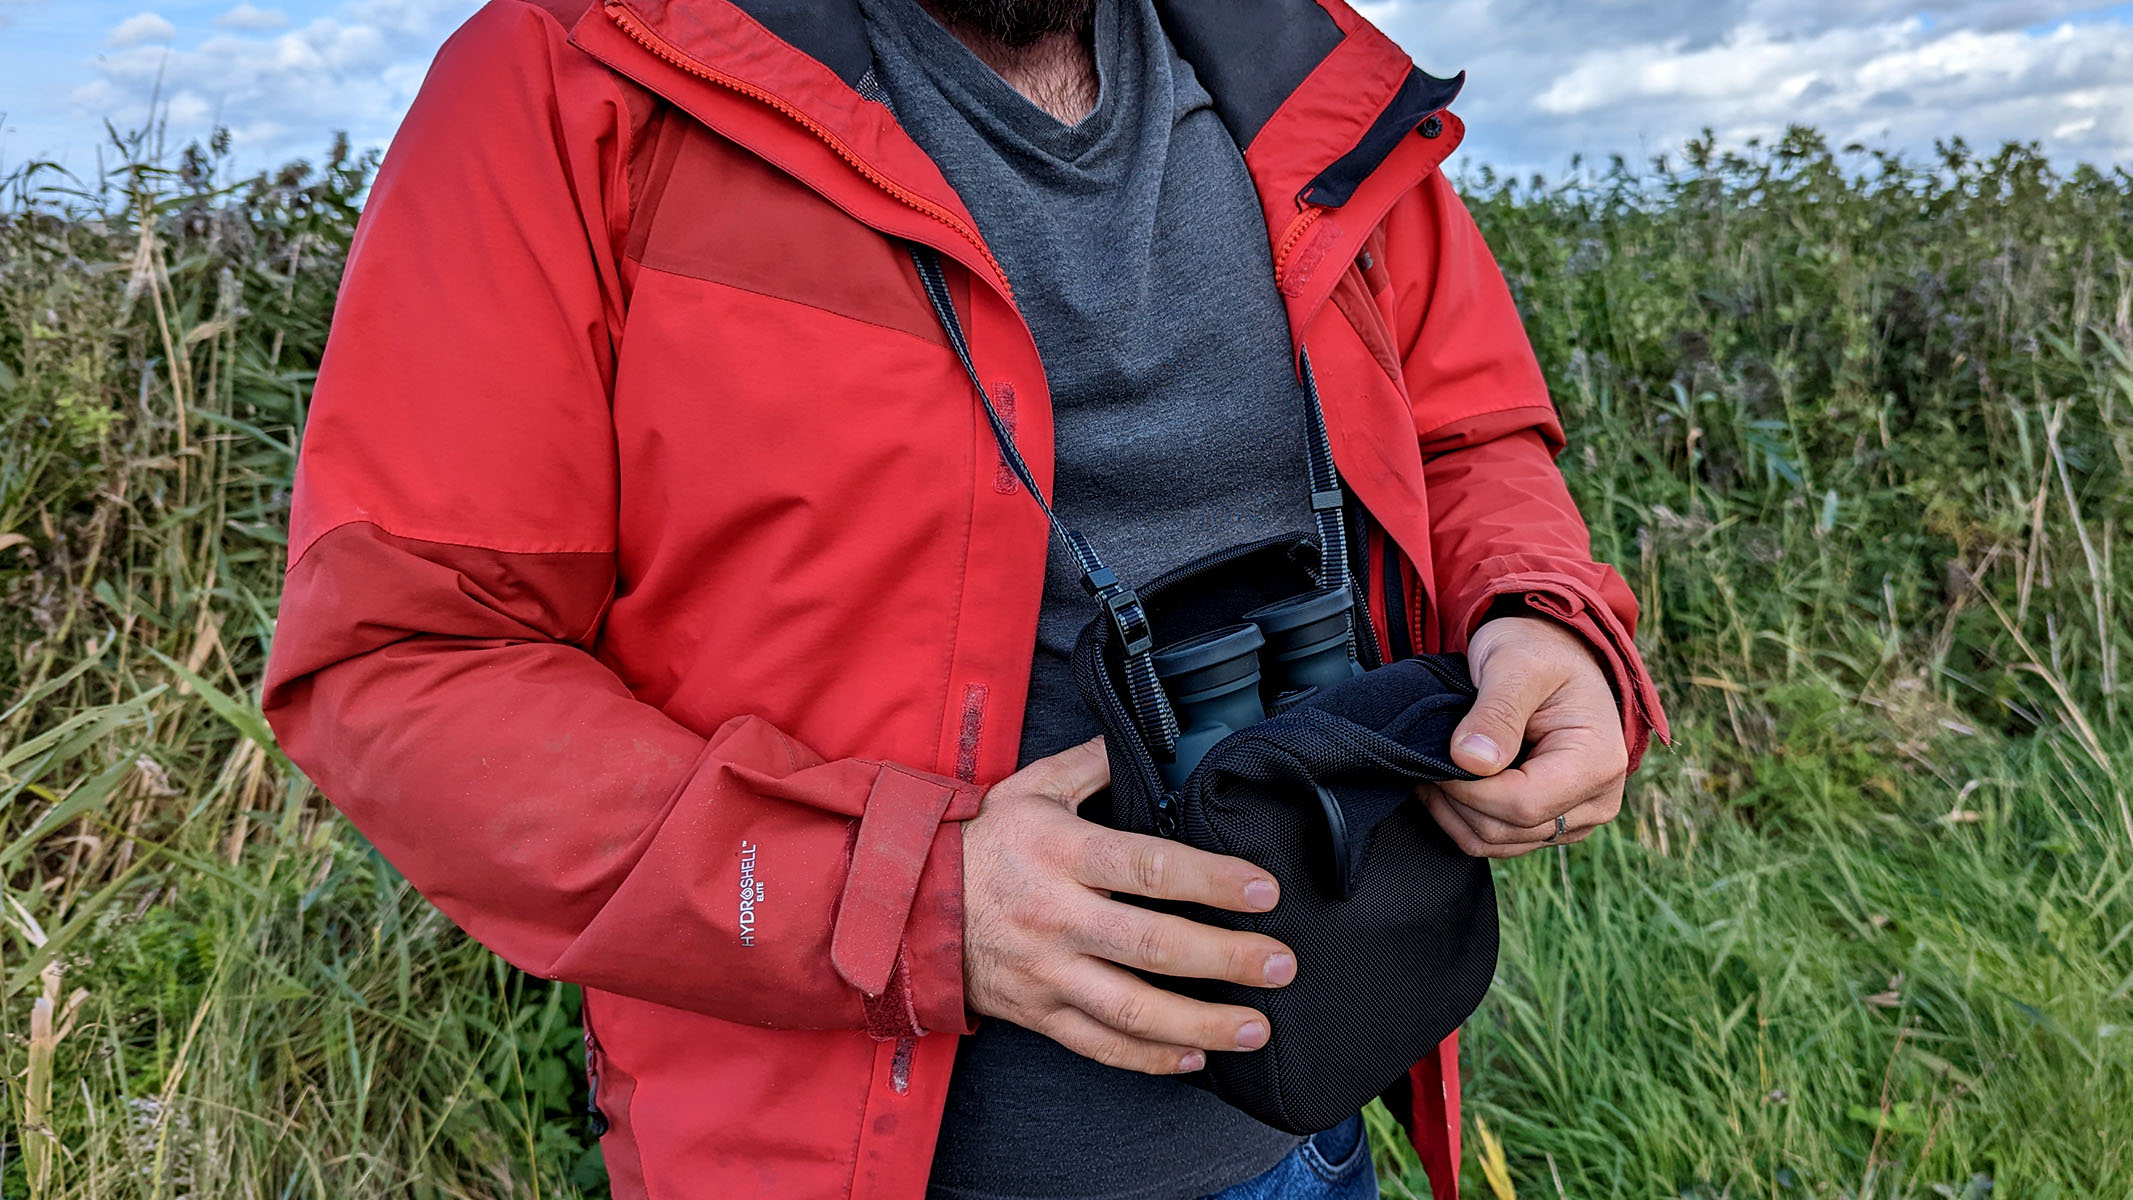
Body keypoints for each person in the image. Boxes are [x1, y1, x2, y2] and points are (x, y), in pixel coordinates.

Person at [261, 0, 1669, 1196]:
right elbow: (407, 659)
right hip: (844, 1163)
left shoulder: (1299, 70)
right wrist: (897, 898)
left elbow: (1466, 434)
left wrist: (1539, 615)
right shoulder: (577, 74)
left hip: (1307, 1128)